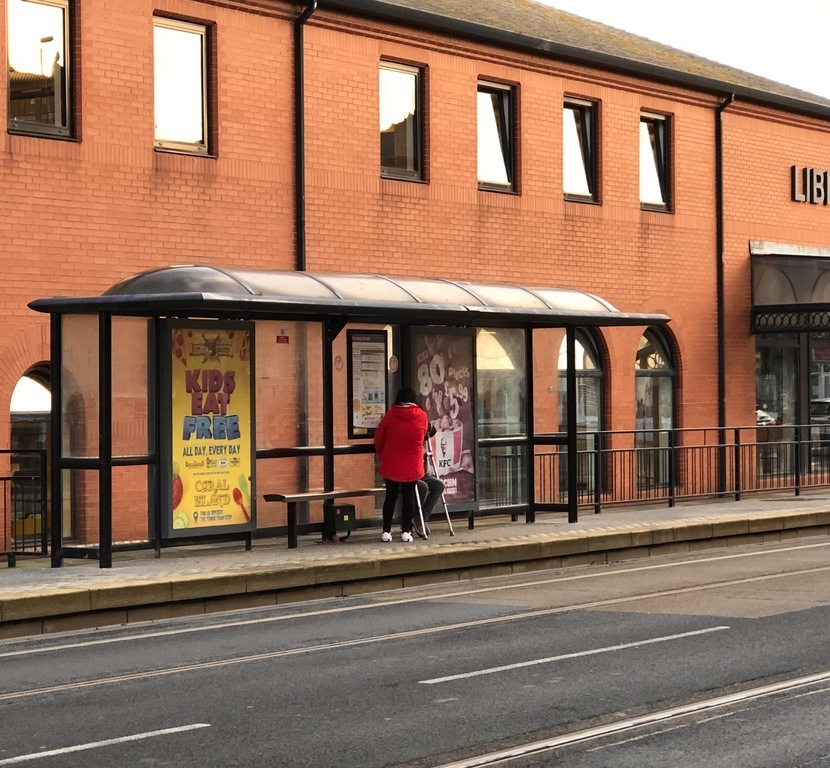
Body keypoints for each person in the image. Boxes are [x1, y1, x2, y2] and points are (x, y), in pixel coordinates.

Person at [374, 387, 428, 542]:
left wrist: (384, 454)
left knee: (390, 497)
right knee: (408, 496)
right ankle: (406, 532)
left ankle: (386, 531)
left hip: (391, 461)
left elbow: (378, 439)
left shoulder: (390, 415)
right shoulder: (422, 416)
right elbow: (423, 435)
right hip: (412, 463)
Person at [412, 424, 445, 539]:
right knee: (422, 487)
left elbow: (433, 430)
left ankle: (421, 518)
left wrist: (427, 426)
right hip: (410, 473)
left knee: (438, 485)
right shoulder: (410, 437)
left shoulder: (423, 434)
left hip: (421, 472)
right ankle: (416, 517)